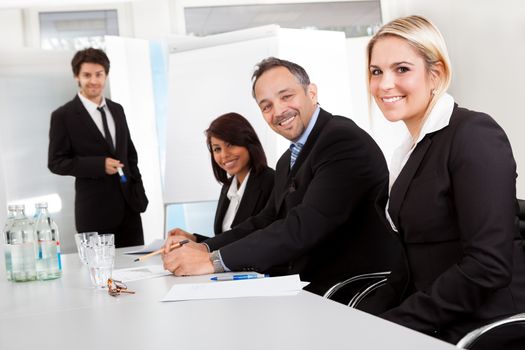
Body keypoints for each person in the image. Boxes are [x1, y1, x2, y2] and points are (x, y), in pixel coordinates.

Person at [162, 57, 402, 296]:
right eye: (266, 106)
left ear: (312, 93)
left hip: (349, 287)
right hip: (308, 284)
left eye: (286, 96)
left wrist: (213, 261)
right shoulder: (287, 159)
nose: (277, 111)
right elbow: (266, 220)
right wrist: (204, 247)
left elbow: (305, 225)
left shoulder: (342, 139)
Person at [366, 15, 525, 346]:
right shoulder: (410, 149)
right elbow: (411, 260)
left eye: (402, 69)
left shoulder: (473, 134)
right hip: (437, 315)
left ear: (435, 73)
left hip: (483, 325)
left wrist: (399, 323)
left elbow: (488, 266)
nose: (384, 85)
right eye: (376, 71)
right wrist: (367, 319)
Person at [48, 48, 148, 248]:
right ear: (77, 76)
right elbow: (56, 163)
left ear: (106, 75)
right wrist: (97, 165)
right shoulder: (63, 116)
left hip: (129, 209)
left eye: (98, 74)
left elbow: (130, 155)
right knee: (101, 276)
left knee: (136, 271)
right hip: (94, 213)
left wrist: (139, 192)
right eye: (87, 75)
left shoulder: (117, 109)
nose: (93, 81)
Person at [168, 112, 274, 242]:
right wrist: (193, 239)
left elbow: (252, 242)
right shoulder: (228, 187)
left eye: (230, 144)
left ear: (248, 142)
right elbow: (226, 242)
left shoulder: (272, 182)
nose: (224, 155)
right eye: (217, 149)